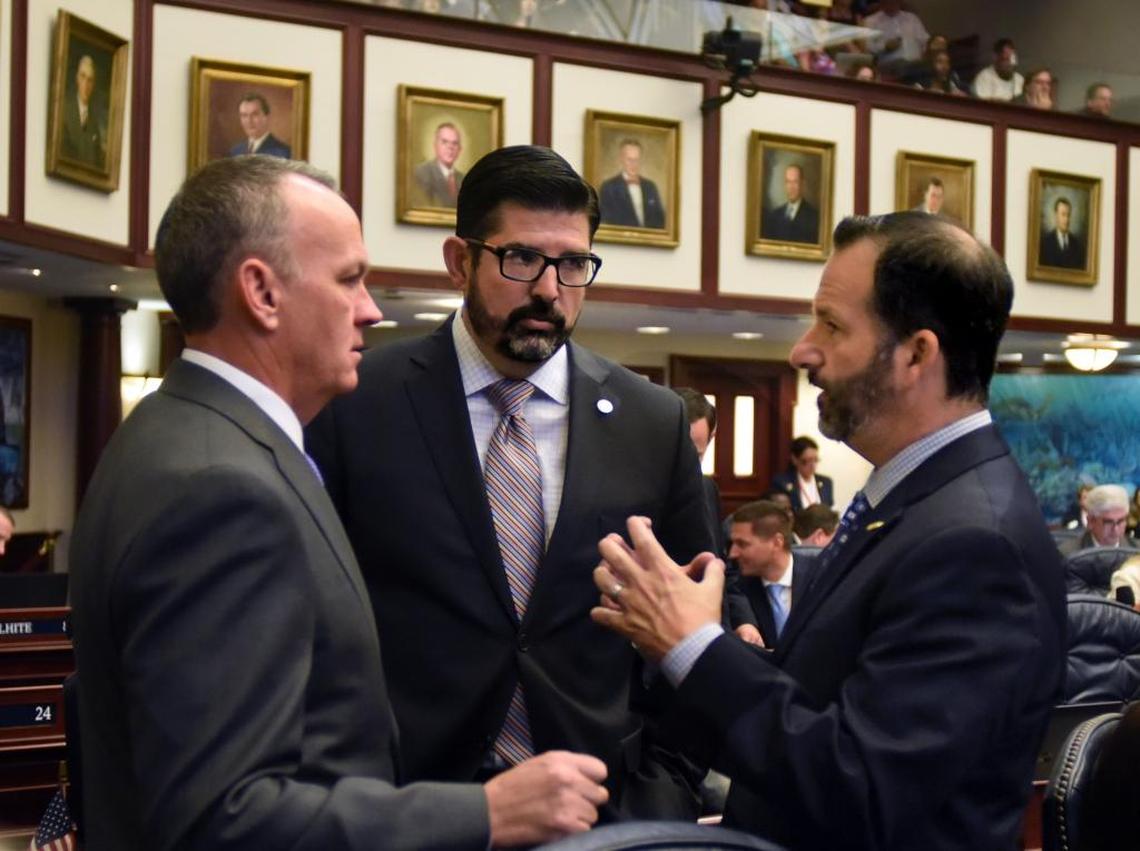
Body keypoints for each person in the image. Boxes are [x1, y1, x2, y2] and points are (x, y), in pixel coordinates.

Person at [68, 156, 608, 850]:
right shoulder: (220, 488)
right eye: (349, 279)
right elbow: (219, 818)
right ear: (262, 292)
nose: (371, 308)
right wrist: (486, 813)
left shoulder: (180, 430)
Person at [591, 210, 1066, 851]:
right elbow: (818, 696)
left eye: (833, 325)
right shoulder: (913, 499)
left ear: (915, 355)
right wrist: (677, 637)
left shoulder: (976, 544)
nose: (802, 349)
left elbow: (862, 786)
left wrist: (694, 647)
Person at [306, 144, 712, 820]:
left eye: (573, 264)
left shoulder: (652, 420)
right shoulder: (356, 403)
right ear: (460, 260)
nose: (550, 290)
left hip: (599, 817)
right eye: (521, 259)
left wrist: (661, 789)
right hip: (407, 808)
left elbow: (697, 622)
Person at [674, 387, 764, 649]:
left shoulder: (707, 490)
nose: (687, 467)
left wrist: (743, 621)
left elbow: (723, 566)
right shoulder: (630, 492)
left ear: (711, 438)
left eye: (697, 455)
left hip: (713, 641)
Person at [728, 501, 818, 648]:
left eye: (742, 544)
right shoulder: (737, 586)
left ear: (777, 542)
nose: (733, 553)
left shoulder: (820, 575)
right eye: (732, 543)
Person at [598, 138, 666, 229]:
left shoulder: (651, 187)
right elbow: (605, 223)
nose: (633, 164)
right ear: (621, 159)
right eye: (629, 160)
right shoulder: (608, 187)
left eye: (636, 160)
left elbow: (660, 221)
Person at [1059, 484, 1134, 555]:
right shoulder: (1067, 554)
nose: (1115, 529)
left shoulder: (1136, 551)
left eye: (1120, 521)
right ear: (1091, 521)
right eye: (1108, 522)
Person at [61, 54, 105, 168]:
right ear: (77, 78)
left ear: (93, 84)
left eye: (90, 80)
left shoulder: (94, 124)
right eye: (83, 76)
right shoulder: (63, 111)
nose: (86, 84)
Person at [769, 435, 834, 511]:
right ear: (795, 459)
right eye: (807, 461)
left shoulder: (826, 482)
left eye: (815, 460)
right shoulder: (782, 482)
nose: (812, 465)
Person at [863, 0, 928, 74]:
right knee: (903, 67)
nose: (892, 4)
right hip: (889, 65)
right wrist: (885, 47)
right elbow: (868, 47)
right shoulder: (871, 21)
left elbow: (925, 41)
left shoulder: (912, 18)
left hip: (916, 64)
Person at [762, 164, 819, 244]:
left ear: (802, 184)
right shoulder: (775, 215)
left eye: (795, 182)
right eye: (788, 182)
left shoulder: (814, 217)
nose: (791, 187)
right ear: (785, 185)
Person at [413, 122, 465, 208]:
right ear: (435, 146)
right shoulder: (420, 173)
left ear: (459, 149)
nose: (450, 147)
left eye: (455, 143)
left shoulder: (464, 179)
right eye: (444, 142)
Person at [226, 93, 292, 158]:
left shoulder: (283, 153)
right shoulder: (235, 152)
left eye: (255, 114)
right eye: (244, 115)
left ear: (267, 117)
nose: (249, 121)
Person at [1039, 196, 1085, 270]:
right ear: (1056, 215)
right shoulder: (1045, 243)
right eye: (1063, 215)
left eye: (1068, 215)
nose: (1066, 219)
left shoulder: (1077, 244)